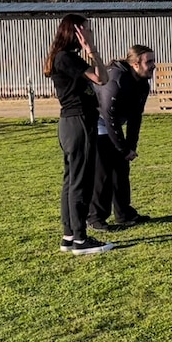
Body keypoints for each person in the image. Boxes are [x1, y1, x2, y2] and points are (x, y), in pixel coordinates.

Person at [43, 14, 113, 255]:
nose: (92, 34)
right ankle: (81, 239)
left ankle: (69, 235)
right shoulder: (67, 58)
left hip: (72, 123)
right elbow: (102, 78)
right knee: (80, 182)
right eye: (88, 31)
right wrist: (92, 51)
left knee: (71, 180)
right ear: (77, 33)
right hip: (78, 121)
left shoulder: (65, 58)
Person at [88, 45, 156, 231]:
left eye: (153, 60)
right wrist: (123, 148)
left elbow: (136, 117)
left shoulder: (142, 83)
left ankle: (124, 213)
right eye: (148, 61)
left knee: (121, 167)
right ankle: (96, 218)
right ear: (135, 64)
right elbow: (109, 118)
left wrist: (130, 148)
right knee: (104, 171)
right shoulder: (115, 80)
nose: (153, 65)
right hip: (97, 121)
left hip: (113, 121)